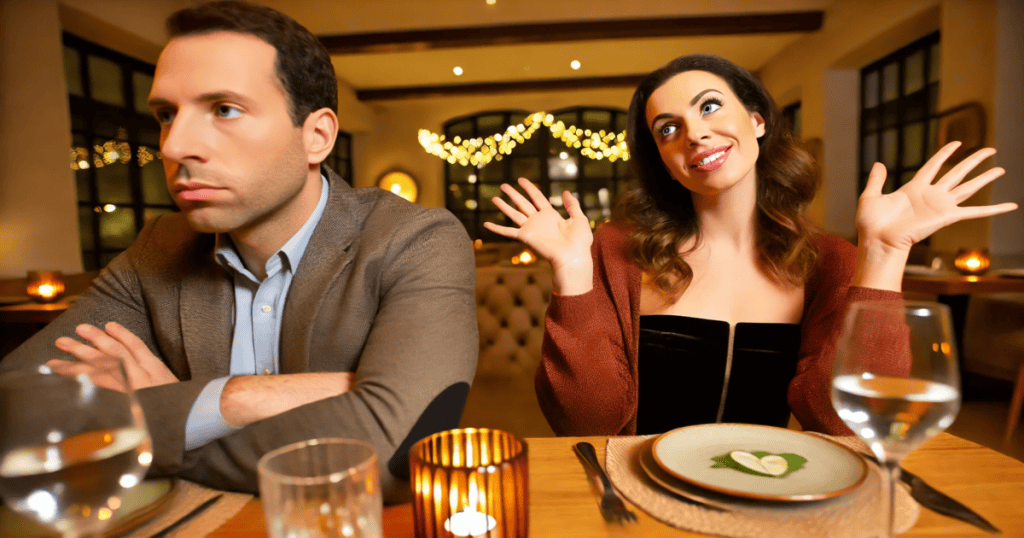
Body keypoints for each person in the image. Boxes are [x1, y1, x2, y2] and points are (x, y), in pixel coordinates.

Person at [2, 1, 477, 502]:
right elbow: (12, 407)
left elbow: (391, 455)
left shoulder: (415, 239)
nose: (173, 145)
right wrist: (238, 398)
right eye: (166, 114)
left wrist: (152, 416)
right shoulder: (156, 250)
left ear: (317, 137)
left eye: (224, 109)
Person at [485, 54, 1016, 436]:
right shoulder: (616, 250)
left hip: (773, 492)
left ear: (757, 121)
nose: (694, 134)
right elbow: (586, 423)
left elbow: (838, 423)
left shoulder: (831, 262)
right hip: (637, 497)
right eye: (669, 129)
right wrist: (573, 272)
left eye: (710, 106)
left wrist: (883, 253)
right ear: (665, 162)